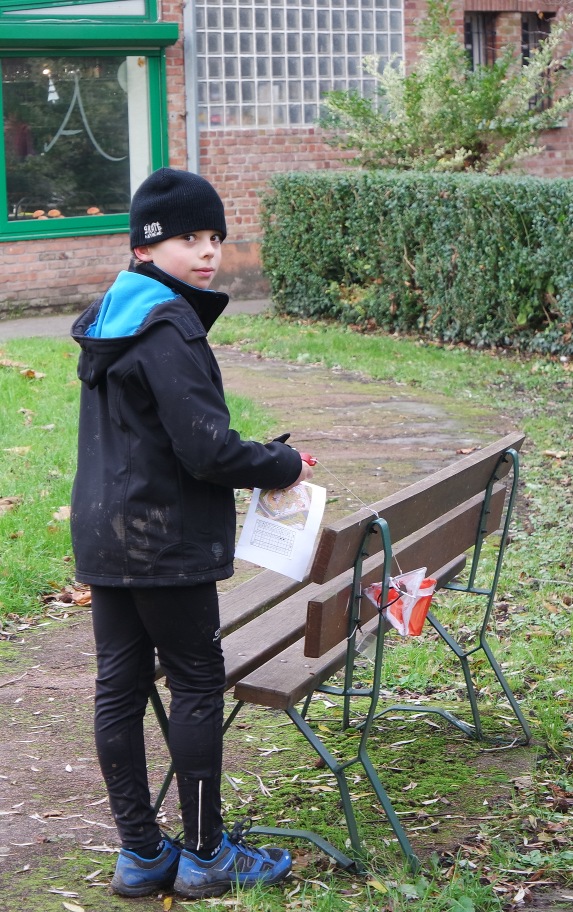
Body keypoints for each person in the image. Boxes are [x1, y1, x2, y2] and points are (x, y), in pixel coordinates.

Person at [70, 168, 313, 899]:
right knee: (197, 684)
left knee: (119, 687)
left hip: (106, 533)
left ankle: (141, 854)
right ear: (145, 246)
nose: (206, 252)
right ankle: (206, 853)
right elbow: (206, 448)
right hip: (164, 539)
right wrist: (283, 462)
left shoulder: (114, 314)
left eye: (213, 237)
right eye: (186, 238)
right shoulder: (169, 325)